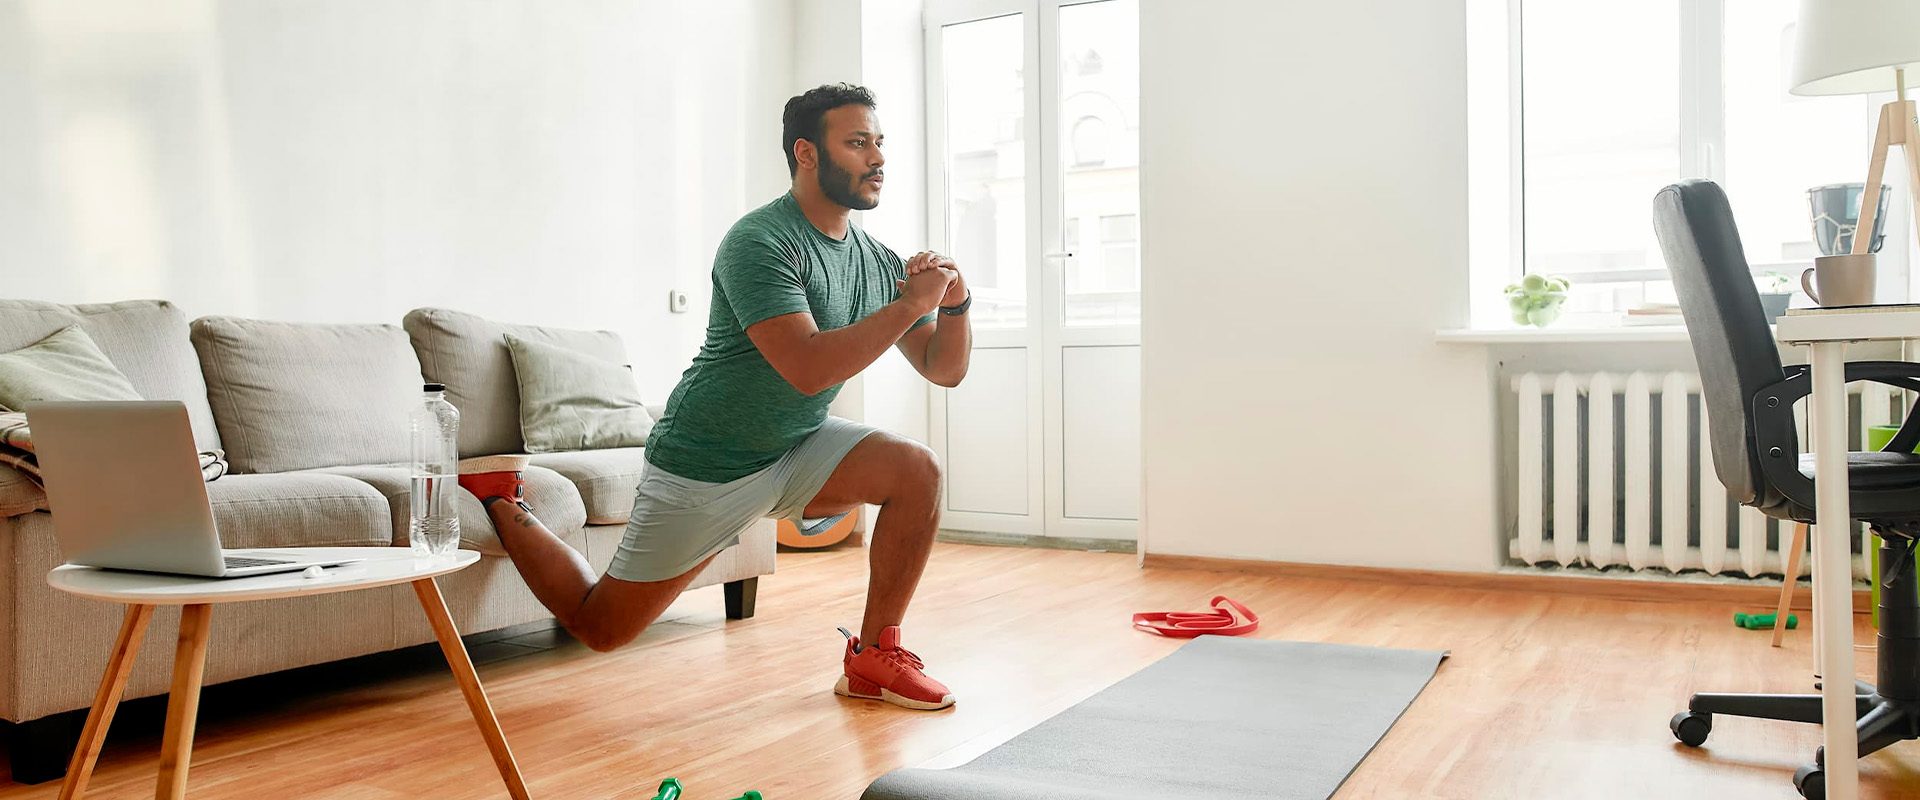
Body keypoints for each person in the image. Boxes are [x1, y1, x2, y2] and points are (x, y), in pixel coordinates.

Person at [458, 83, 973, 711]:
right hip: (706, 461)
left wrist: (955, 305)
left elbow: (943, 369)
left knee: (916, 470)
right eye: (858, 143)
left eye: (879, 143)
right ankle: (506, 502)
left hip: (797, 446)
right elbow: (806, 369)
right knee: (601, 627)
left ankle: (873, 659)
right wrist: (909, 303)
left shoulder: (874, 259)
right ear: (806, 153)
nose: (877, 159)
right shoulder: (760, 242)